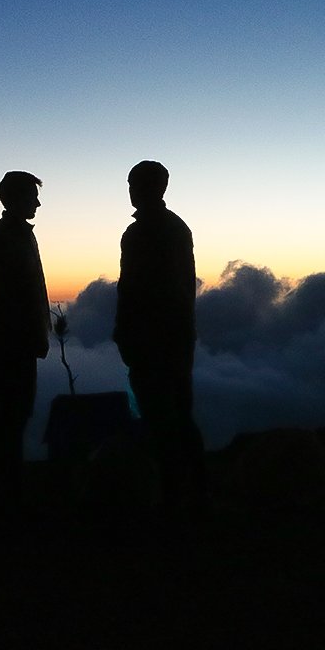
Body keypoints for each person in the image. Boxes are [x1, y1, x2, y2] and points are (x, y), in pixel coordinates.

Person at [113, 160, 206, 513]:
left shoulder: (144, 233)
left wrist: (127, 333)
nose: (131, 190)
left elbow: (138, 290)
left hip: (154, 340)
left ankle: (172, 496)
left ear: (153, 188)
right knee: (178, 415)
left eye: (134, 183)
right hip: (174, 338)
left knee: (161, 417)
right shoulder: (173, 228)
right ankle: (194, 492)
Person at [0, 170, 50, 502]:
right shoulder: (6, 237)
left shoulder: (16, 234)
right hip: (10, 345)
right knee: (8, 420)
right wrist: (34, 335)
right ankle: (6, 498)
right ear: (15, 198)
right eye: (32, 196)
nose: (38, 202)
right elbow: (14, 296)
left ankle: (8, 493)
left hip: (12, 343)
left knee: (13, 419)